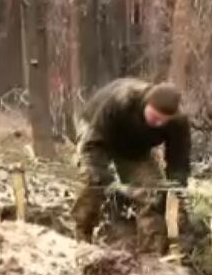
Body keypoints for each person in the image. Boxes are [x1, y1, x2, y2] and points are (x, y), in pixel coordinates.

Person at [71, 77, 191, 254]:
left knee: (154, 194)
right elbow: (92, 144)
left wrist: (174, 189)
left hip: (135, 148)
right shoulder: (122, 100)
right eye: (154, 117)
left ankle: (152, 254)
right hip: (97, 133)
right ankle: (80, 240)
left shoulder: (178, 122)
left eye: (161, 121)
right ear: (146, 104)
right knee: (93, 184)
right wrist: (105, 179)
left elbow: (178, 161)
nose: (157, 123)